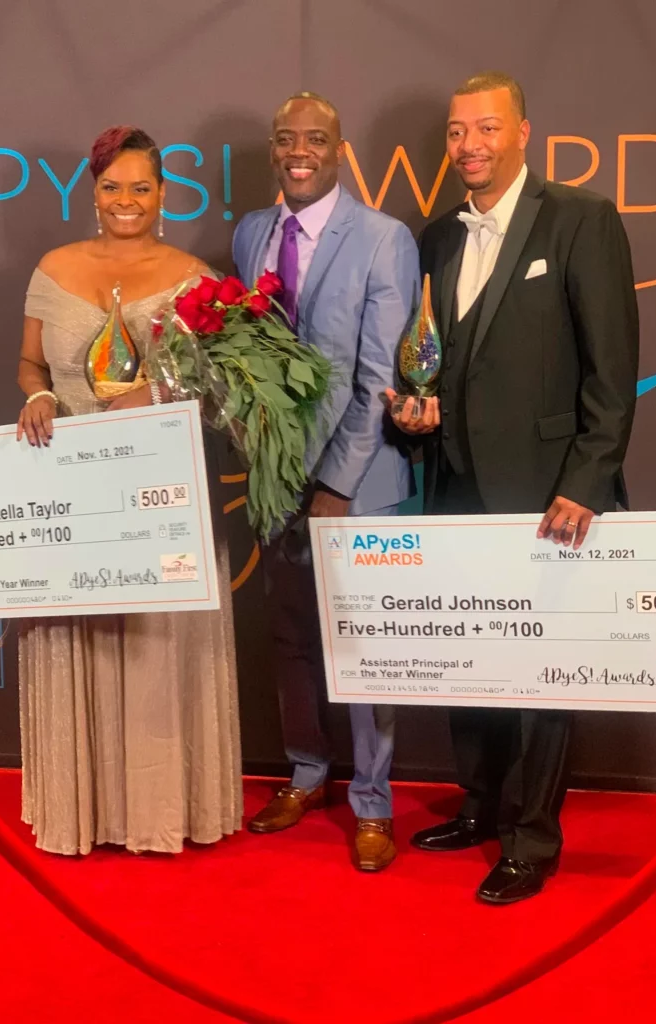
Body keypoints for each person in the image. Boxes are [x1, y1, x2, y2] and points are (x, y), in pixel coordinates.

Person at [387, 72, 639, 903]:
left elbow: (612, 372)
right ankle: (483, 808)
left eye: (486, 130)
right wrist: (417, 416)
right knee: (472, 660)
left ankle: (532, 838)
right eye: (458, 132)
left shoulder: (582, 220)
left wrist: (588, 482)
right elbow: (439, 364)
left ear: (524, 133)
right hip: (455, 484)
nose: (469, 146)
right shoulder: (434, 240)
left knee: (541, 679)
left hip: (549, 493)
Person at [16, 126, 242, 855]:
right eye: (112, 187)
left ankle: (159, 808)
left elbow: (217, 381)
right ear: (93, 193)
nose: (125, 201)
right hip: (70, 493)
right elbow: (29, 364)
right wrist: (37, 398)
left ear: (163, 196)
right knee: (81, 636)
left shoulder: (193, 275)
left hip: (159, 493)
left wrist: (159, 388)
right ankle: (79, 804)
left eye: (140, 187)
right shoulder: (52, 269)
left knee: (153, 646)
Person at [233, 92, 420, 872]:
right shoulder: (250, 233)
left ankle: (372, 802)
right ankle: (307, 773)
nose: (298, 150)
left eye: (315, 139)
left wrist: (336, 486)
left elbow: (379, 376)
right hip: (276, 483)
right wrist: (271, 467)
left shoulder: (384, 240)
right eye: (285, 139)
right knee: (291, 641)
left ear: (339, 150)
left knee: (366, 651)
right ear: (274, 150)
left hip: (360, 485)